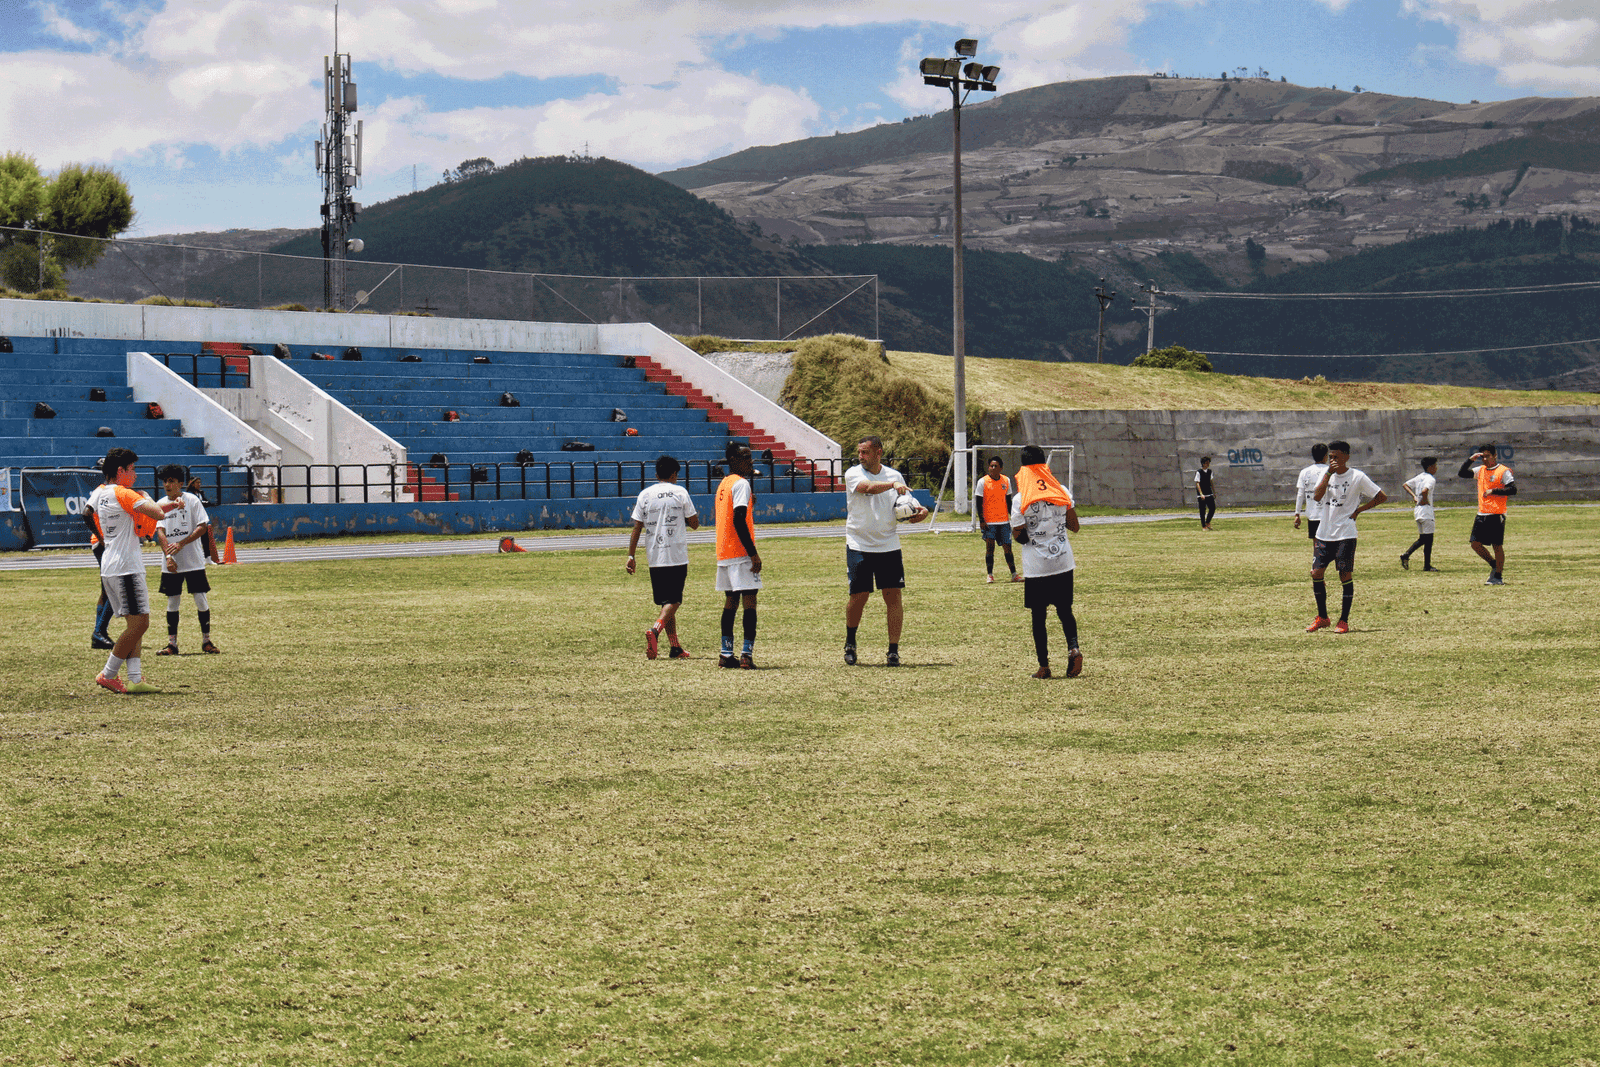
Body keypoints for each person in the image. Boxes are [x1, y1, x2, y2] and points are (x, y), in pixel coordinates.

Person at [87, 448, 184, 693]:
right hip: (126, 567)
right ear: (120, 471)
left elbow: (141, 513)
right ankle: (108, 673)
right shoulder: (124, 493)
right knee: (140, 624)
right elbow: (156, 512)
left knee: (134, 624)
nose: (135, 474)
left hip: (111, 564)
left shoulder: (102, 493)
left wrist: (170, 506)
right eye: (132, 469)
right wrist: (148, 498)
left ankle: (135, 679)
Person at [843, 435, 927, 667]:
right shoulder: (853, 473)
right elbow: (868, 488)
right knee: (859, 596)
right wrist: (892, 485)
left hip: (888, 544)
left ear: (878, 452)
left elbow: (908, 502)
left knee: (893, 596)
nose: (860, 456)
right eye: (859, 452)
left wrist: (921, 511)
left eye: (865, 452)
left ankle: (893, 651)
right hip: (859, 543)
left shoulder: (894, 476)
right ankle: (850, 642)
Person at [1011, 445, 1083, 678]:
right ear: (1044, 465)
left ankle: (1044, 666)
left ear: (1023, 469)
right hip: (1063, 562)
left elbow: (1019, 535)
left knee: (1038, 617)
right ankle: (1073, 648)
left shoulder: (1020, 498)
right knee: (1065, 611)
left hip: (1037, 566)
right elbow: (1074, 526)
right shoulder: (1061, 491)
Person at [1307, 440, 1387, 634]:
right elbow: (1316, 497)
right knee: (1316, 573)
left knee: (1345, 575)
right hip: (1324, 533)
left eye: (1336, 457)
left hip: (1345, 533)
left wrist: (1359, 510)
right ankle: (1323, 617)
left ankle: (1343, 621)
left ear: (1346, 457)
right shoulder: (1326, 475)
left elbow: (1381, 496)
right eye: (1330, 457)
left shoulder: (1357, 477)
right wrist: (1328, 474)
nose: (1332, 460)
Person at [626, 454, 700, 660]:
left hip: (655, 556)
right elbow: (694, 523)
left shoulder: (645, 495)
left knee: (666, 603)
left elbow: (637, 527)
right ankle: (655, 630)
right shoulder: (680, 492)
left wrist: (631, 555)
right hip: (676, 555)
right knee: (674, 600)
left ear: (657, 474)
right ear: (674, 474)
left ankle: (675, 647)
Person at [153, 463, 219, 655]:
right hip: (171, 563)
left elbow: (202, 526)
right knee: (172, 602)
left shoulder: (192, 500)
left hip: (193, 561)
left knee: (201, 599)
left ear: (180, 483)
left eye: (171, 481)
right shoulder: (160, 505)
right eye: (165, 481)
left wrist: (181, 543)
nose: (167, 485)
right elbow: (160, 532)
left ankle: (206, 641)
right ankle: (172, 644)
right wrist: (168, 555)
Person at [714, 442, 762, 669]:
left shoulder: (724, 483)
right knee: (749, 601)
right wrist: (753, 554)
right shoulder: (742, 483)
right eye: (746, 457)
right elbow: (739, 519)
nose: (750, 461)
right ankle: (746, 655)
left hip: (724, 552)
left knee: (731, 601)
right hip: (741, 553)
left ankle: (726, 654)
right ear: (733, 459)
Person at [1459, 444, 1516, 585]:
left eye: (1487, 456)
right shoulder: (1480, 470)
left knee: (1497, 545)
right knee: (1475, 544)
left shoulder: (1503, 471)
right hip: (1482, 513)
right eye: (1483, 457)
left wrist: (1494, 491)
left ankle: (1498, 576)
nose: (1485, 459)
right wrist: (1470, 460)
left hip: (1496, 514)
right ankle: (1494, 564)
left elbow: (1513, 489)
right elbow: (1462, 473)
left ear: (1495, 456)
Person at [974, 455, 1019, 583]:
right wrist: (981, 520)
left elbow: (1009, 501)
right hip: (989, 522)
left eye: (996, 466)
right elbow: (978, 503)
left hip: (1004, 521)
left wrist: (1014, 517)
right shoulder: (982, 482)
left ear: (1001, 468)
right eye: (991, 466)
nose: (993, 468)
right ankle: (990, 575)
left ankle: (1014, 574)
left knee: (1008, 548)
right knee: (990, 548)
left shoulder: (1006, 480)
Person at [1400, 457, 1440, 571]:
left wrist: (1414, 496)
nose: (1436, 468)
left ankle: (1406, 555)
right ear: (1430, 467)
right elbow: (1424, 491)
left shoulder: (1420, 477)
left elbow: (1405, 485)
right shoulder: (1430, 479)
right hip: (1426, 511)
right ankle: (1427, 565)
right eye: (1435, 466)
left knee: (1423, 539)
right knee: (1429, 540)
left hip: (1418, 511)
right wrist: (1425, 499)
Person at [1293, 443, 1329, 543]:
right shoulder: (1330, 471)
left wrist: (1297, 514)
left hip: (1312, 514)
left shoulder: (1305, 472)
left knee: (1316, 544)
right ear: (1326, 456)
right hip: (1329, 514)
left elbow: (1300, 494)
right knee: (1330, 543)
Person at [1195, 456, 1216, 530]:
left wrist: (1214, 492)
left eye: (1208, 463)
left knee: (1212, 508)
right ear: (1203, 464)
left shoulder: (1210, 471)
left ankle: (1208, 522)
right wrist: (1201, 494)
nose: (1208, 464)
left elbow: (1211, 482)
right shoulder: (1199, 472)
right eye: (1206, 463)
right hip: (1202, 495)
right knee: (1202, 510)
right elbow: (1197, 483)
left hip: (1209, 493)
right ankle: (1204, 526)